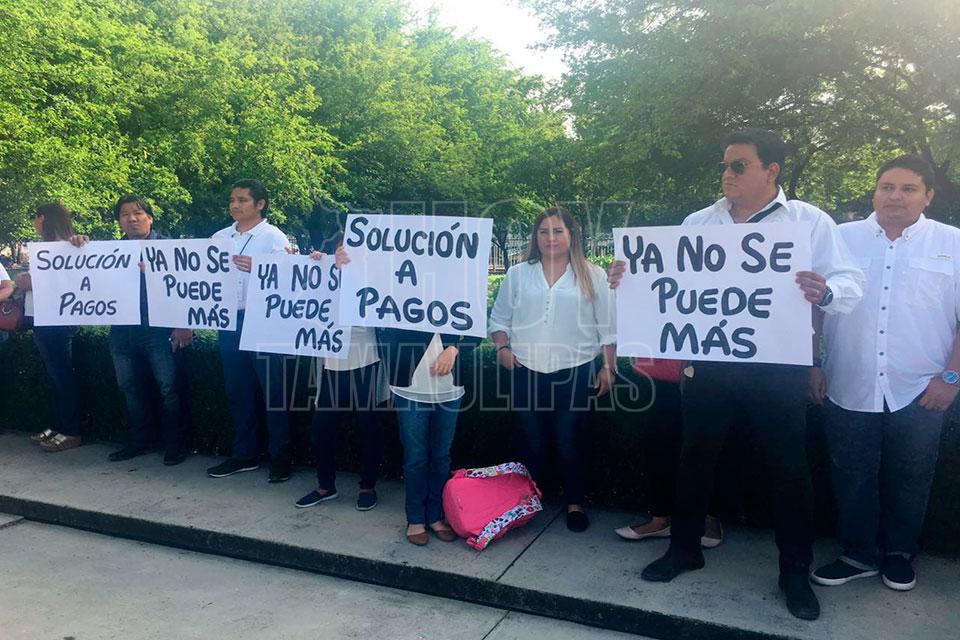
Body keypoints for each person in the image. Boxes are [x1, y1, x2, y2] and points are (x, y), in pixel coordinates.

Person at [608, 128, 864, 620]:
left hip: (778, 366)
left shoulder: (808, 221)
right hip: (710, 362)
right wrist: (628, 278)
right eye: (725, 165)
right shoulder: (700, 221)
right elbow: (667, 284)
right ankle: (685, 548)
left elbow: (849, 280)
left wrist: (826, 291)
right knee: (695, 457)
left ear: (772, 170)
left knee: (789, 469)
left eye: (739, 165)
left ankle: (794, 571)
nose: (727, 173)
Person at [809, 155, 960, 592]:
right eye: (887, 187)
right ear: (874, 192)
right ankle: (857, 554)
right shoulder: (839, 240)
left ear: (928, 195)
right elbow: (813, 305)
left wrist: (951, 379)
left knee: (912, 476)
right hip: (847, 381)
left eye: (908, 188)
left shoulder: (953, 244)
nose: (895, 196)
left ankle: (899, 554)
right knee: (850, 474)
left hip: (921, 388)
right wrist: (812, 363)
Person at [336, 244, 481, 545]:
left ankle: (436, 515)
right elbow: (367, 295)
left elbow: (477, 328)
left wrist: (455, 348)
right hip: (410, 386)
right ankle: (415, 517)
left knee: (441, 455)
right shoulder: (398, 287)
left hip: (450, 387)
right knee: (415, 456)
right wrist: (342, 267)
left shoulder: (458, 285)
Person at [489, 207, 616, 532]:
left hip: (575, 370)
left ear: (572, 235)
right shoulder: (518, 274)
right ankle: (528, 503)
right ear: (536, 237)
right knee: (531, 440)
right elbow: (500, 318)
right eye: (543, 232)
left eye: (558, 231)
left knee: (568, 440)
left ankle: (574, 502)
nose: (550, 238)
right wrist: (502, 347)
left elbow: (608, 327)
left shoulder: (593, 275)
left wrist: (608, 366)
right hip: (526, 369)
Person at [206, 179, 294, 483]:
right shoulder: (219, 237)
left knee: (273, 392)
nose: (235, 205)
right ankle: (244, 455)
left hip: (264, 321)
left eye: (242, 200)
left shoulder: (273, 237)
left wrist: (260, 268)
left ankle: (280, 457)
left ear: (260, 204)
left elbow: (291, 280)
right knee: (237, 391)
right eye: (232, 200)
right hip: (230, 321)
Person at [95, 195, 193, 465]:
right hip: (122, 330)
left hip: (160, 329)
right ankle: (141, 441)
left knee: (169, 388)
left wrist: (183, 323)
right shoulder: (109, 253)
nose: (131, 218)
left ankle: (176, 444)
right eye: (124, 214)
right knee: (129, 386)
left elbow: (188, 288)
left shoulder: (170, 248)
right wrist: (77, 245)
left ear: (150, 218)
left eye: (137, 213)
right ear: (119, 221)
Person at [295, 240, 384, 512]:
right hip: (332, 364)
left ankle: (368, 486)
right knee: (322, 428)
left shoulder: (374, 274)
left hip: (366, 360)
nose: (346, 251)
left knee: (369, 428)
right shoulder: (326, 271)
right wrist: (312, 264)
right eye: (343, 246)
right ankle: (325, 485)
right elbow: (299, 294)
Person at [18, 203, 83, 452]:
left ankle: (71, 430)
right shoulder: (45, 249)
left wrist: (27, 281)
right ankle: (60, 425)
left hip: (58, 320)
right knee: (56, 377)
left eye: (36, 217)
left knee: (62, 376)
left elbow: (61, 282)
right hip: (42, 318)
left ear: (44, 218)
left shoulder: (68, 247)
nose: (34, 223)